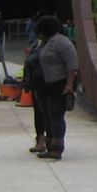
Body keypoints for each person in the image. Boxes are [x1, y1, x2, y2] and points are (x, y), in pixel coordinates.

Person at [31, 15, 78, 160]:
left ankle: (57, 147)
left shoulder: (62, 43)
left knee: (56, 116)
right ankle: (50, 145)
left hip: (59, 84)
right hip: (46, 85)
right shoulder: (45, 43)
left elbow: (72, 65)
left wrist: (69, 85)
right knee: (48, 116)